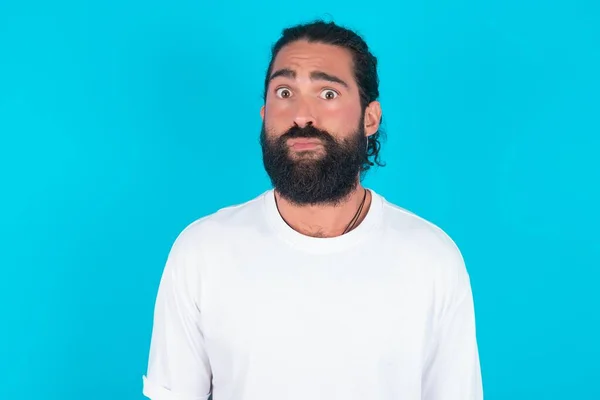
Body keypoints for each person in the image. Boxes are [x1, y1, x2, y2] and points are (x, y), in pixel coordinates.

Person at [141, 19, 483, 400]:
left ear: (370, 118)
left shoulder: (432, 259)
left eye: (328, 94)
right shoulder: (201, 252)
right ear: (264, 115)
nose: (302, 116)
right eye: (284, 92)